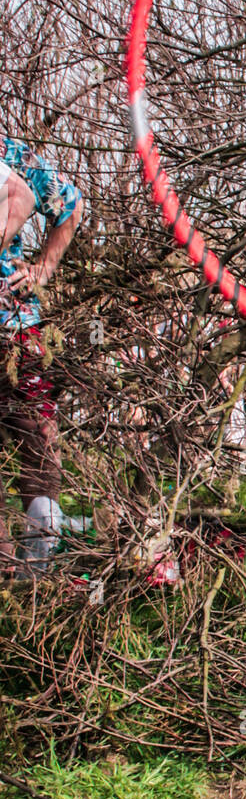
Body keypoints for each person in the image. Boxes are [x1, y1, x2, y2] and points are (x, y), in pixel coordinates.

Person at [0, 135, 83, 575]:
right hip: (17, 324)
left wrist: (44, 268)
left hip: (14, 325)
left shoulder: (12, 155)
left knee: (36, 439)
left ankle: (40, 562)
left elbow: (68, 203)